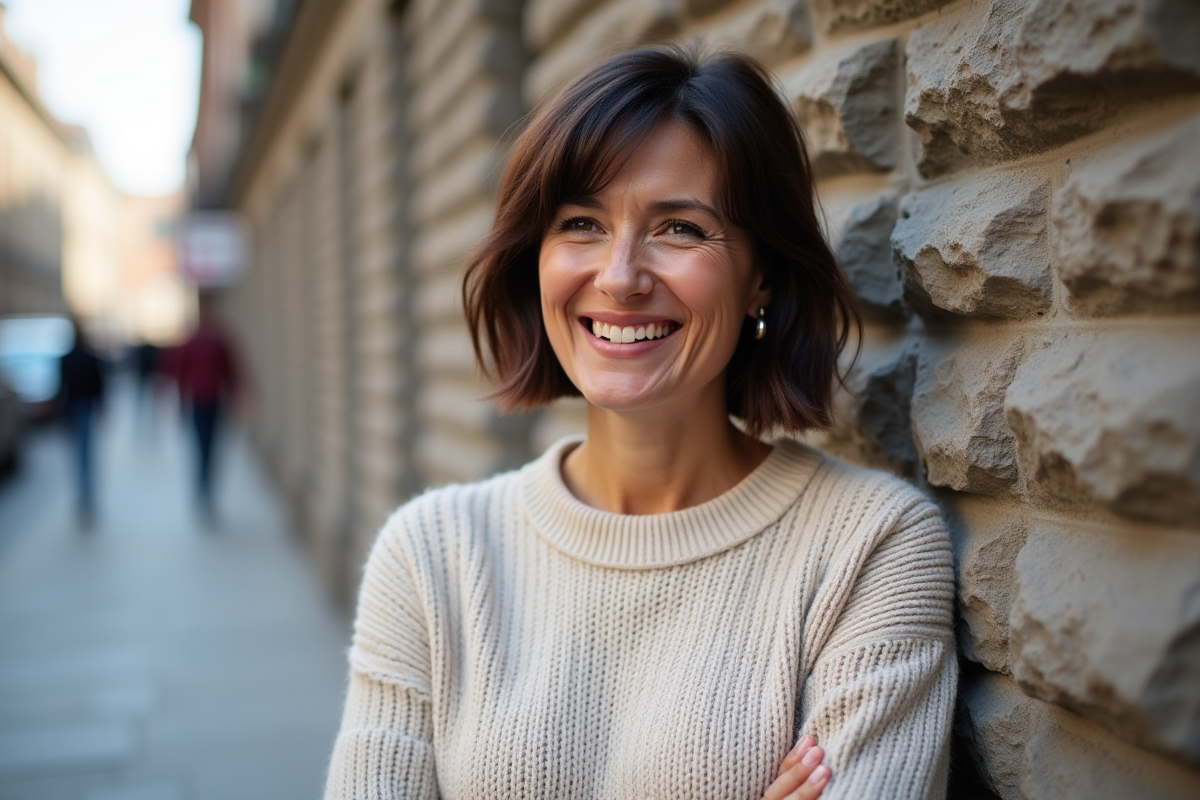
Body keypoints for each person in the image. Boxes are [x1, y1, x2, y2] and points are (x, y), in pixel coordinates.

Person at [324, 44, 956, 800]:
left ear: (762, 278)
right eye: (581, 223)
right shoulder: (432, 559)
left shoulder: (868, 549)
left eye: (681, 230)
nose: (619, 277)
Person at [171, 295, 242, 524]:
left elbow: (230, 372)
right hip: (202, 403)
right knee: (205, 451)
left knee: (207, 451)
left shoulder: (212, 340)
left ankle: (205, 495)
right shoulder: (201, 341)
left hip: (210, 403)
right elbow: (182, 374)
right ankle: (204, 495)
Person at [58, 318, 106, 528]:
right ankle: (86, 498)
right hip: (84, 407)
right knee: (86, 454)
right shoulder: (88, 357)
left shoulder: (67, 358)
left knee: (80, 455)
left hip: (77, 407)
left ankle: (84, 498)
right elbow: (99, 385)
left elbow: (62, 388)